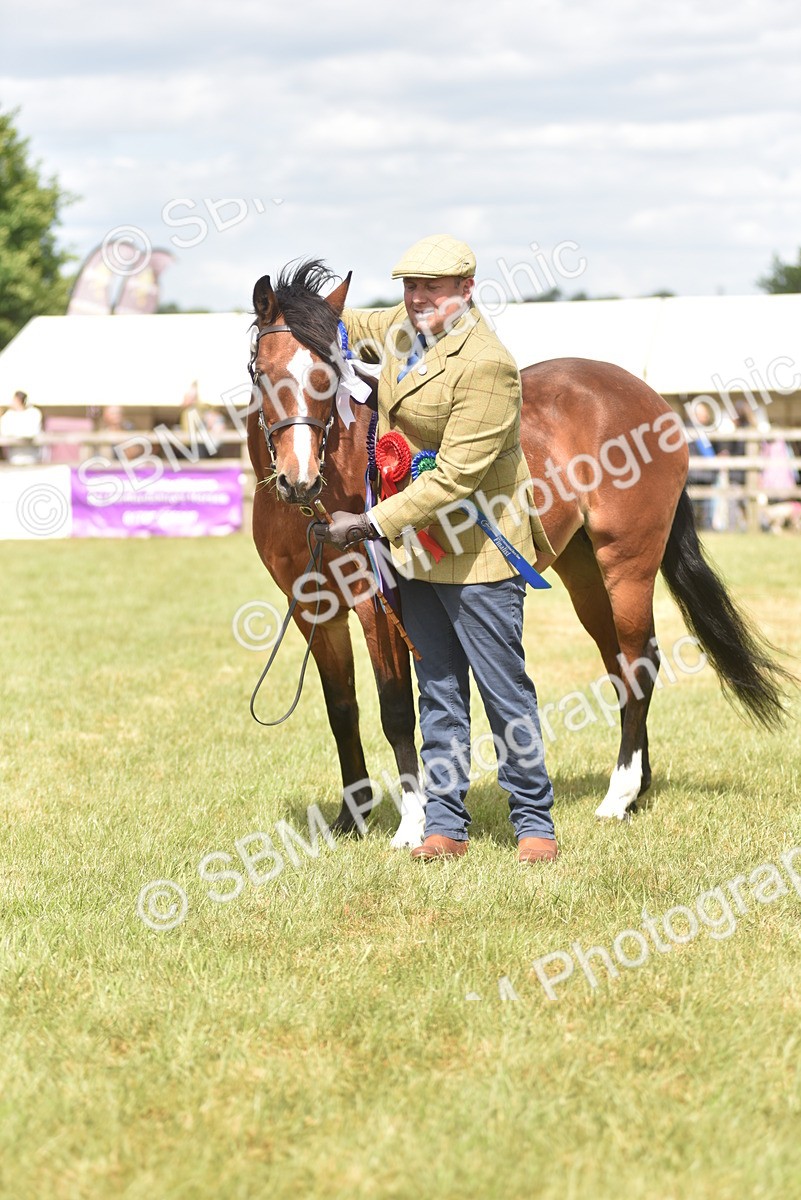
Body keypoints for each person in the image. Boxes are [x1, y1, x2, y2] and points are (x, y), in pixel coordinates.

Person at [313, 234, 557, 864]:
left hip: (479, 549)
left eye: (432, 288)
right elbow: (347, 318)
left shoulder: (487, 364)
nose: (417, 298)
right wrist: (288, 309)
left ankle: (535, 822)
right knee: (439, 691)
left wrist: (370, 522)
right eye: (409, 286)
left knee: (505, 694)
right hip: (418, 552)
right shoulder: (401, 323)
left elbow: (455, 477)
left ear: (466, 290)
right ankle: (445, 824)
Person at [1, 390, 43, 464]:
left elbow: (33, 432)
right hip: (15, 455)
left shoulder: (33, 413)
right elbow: (5, 431)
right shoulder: (9, 415)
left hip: (31, 455)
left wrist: (16, 432)